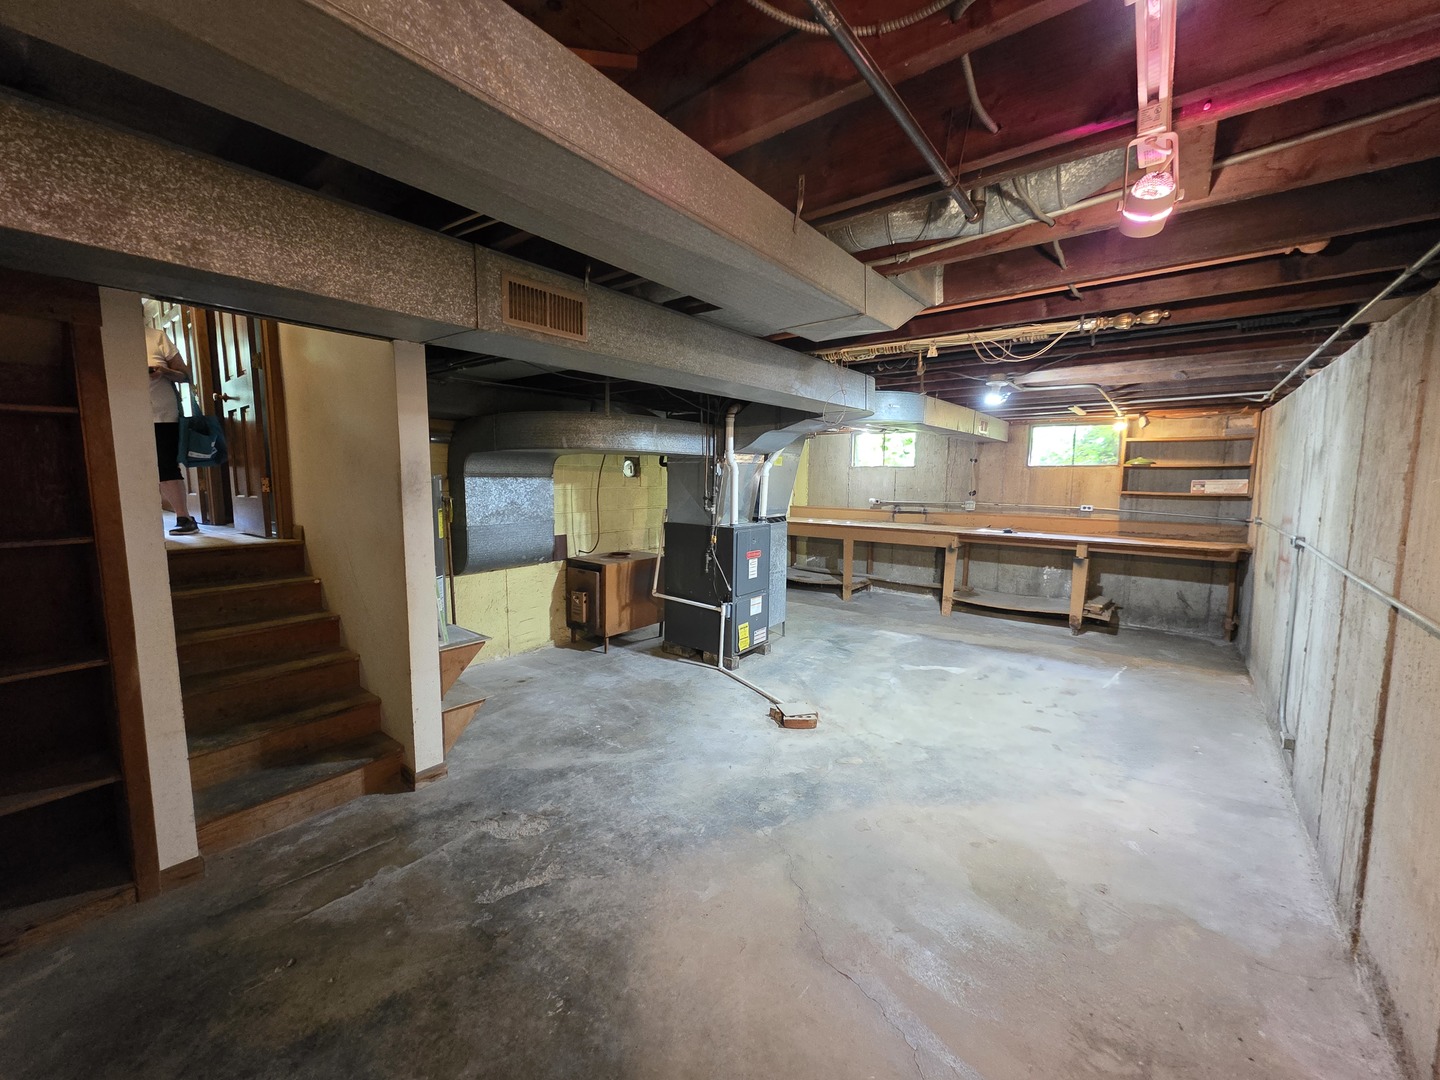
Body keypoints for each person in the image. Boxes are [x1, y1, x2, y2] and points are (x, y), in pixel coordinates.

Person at [147, 326, 198, 535]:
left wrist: (164, 371)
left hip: (163, 414)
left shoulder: (156, 336)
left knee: (166, 465)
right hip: (125, 412)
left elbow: (185, 376)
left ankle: (183, 517)